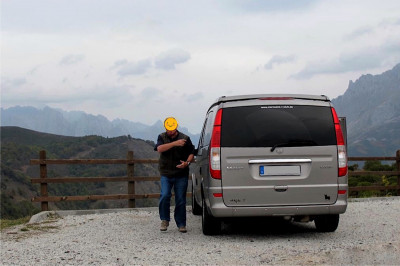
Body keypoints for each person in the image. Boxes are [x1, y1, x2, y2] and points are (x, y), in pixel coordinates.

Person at [154, 117, 194, 233]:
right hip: (166, 173)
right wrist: (175, 143)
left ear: (176, 127)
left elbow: (192, 152)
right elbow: (159, 148)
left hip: (181, 174)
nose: (170, 131)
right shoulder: (161, 137)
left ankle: (181, 224)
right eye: (168, 129)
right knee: (165, 195)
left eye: (172, 129)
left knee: (181, 199)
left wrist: (186, 163)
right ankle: (164, 220)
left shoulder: (185, 138)